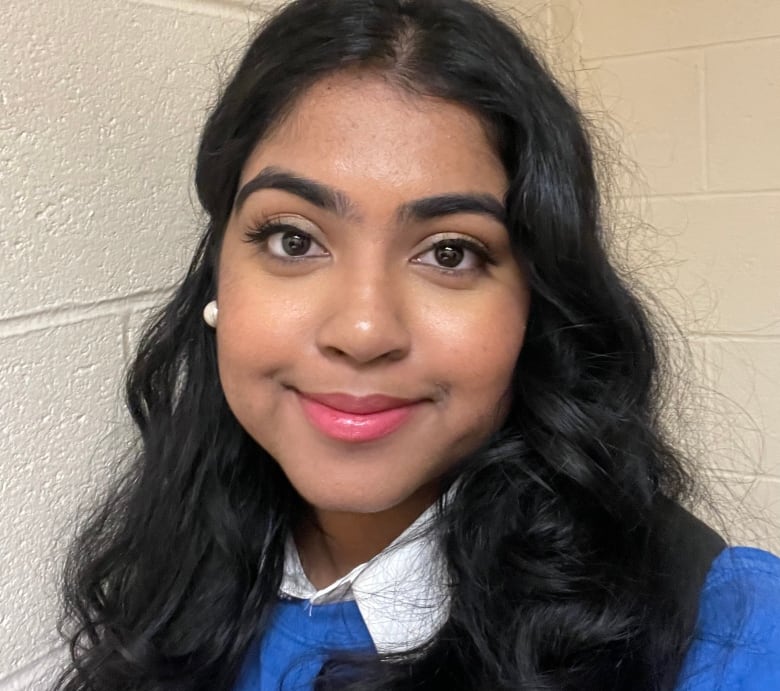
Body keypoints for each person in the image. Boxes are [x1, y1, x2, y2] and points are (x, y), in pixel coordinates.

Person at [54, 0, 780, 689]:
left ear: (538, 305)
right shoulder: (166, 582)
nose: (363, 331)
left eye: (451, 253)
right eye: (294, 238)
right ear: (219, 278)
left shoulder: (727, 635)